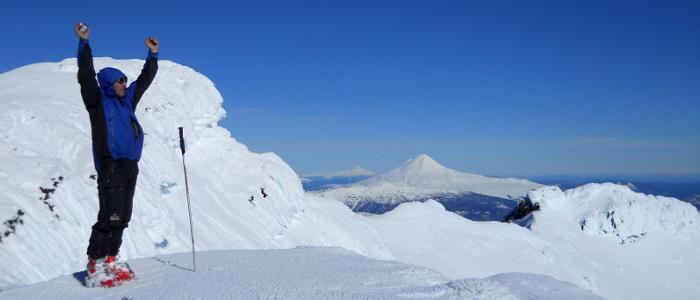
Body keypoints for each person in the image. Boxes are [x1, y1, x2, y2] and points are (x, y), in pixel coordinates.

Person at [74, 22, 159, 288]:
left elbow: (143, 81)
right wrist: (84, 43)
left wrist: (153, 56)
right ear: (110, 84)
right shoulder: (97, 102)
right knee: (109, 215)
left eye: (124, 80)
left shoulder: (127, 101)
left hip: (129, 164)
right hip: (110, 165)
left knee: (123, 215)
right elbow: (86, 75)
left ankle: (110, 260)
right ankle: (95, 265)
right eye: (120, 80)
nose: (124, 83)